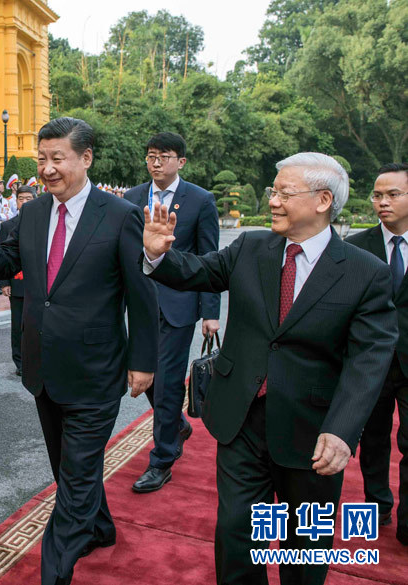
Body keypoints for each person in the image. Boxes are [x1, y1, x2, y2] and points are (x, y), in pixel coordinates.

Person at [142, 152, 398, 584]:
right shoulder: (251, 246)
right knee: (237, 535)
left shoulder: (365, 272)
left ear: (322, 200)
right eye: (272, 191)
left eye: (283, 192)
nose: (273, 201)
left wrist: (342, 428)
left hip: (312, 431)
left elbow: (369, 358)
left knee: (305, 550)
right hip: (241, 417)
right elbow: (199, 272)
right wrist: (158, 256)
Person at [0, 117, 158, 585]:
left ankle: (55, 571)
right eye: (42, 159)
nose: (47, 168)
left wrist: (144, 362)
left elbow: (142, 296)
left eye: (57, 158)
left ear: (85, 158)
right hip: (43, 368)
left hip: (96, 372)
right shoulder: (36, 213)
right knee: (69, 471)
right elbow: (8, 265)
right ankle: (100, 527)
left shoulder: (120, 215)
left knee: (75, 483)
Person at [121, 132, 221, 492]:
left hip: (178, 305)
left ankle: (162, 459)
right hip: (139, 303)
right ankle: (176, 423)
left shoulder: (200, 200)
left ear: (180, 161)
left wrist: (211, 311)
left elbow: (210, 259)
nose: (156, 162)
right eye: (151, 156)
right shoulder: (132, 198)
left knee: (165, 385)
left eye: (164, 156)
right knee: (138, 374)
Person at [345, 162, 408, 545]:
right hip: (370, 361)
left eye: (393, 194)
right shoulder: (356, 248)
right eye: (377, 195)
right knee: (373, 439)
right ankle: (376, 504)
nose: (382, 202)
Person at [0, 185, 36, 376]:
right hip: (17, 282)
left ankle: (36, 360)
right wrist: (4, 282)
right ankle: (20, 362)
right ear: (16, 200)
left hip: (38, 283)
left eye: (29, 198)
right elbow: (2, 256)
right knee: (17, 325)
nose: (25, 202)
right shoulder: (7, 226)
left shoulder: (41, 223)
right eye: (22, 198)